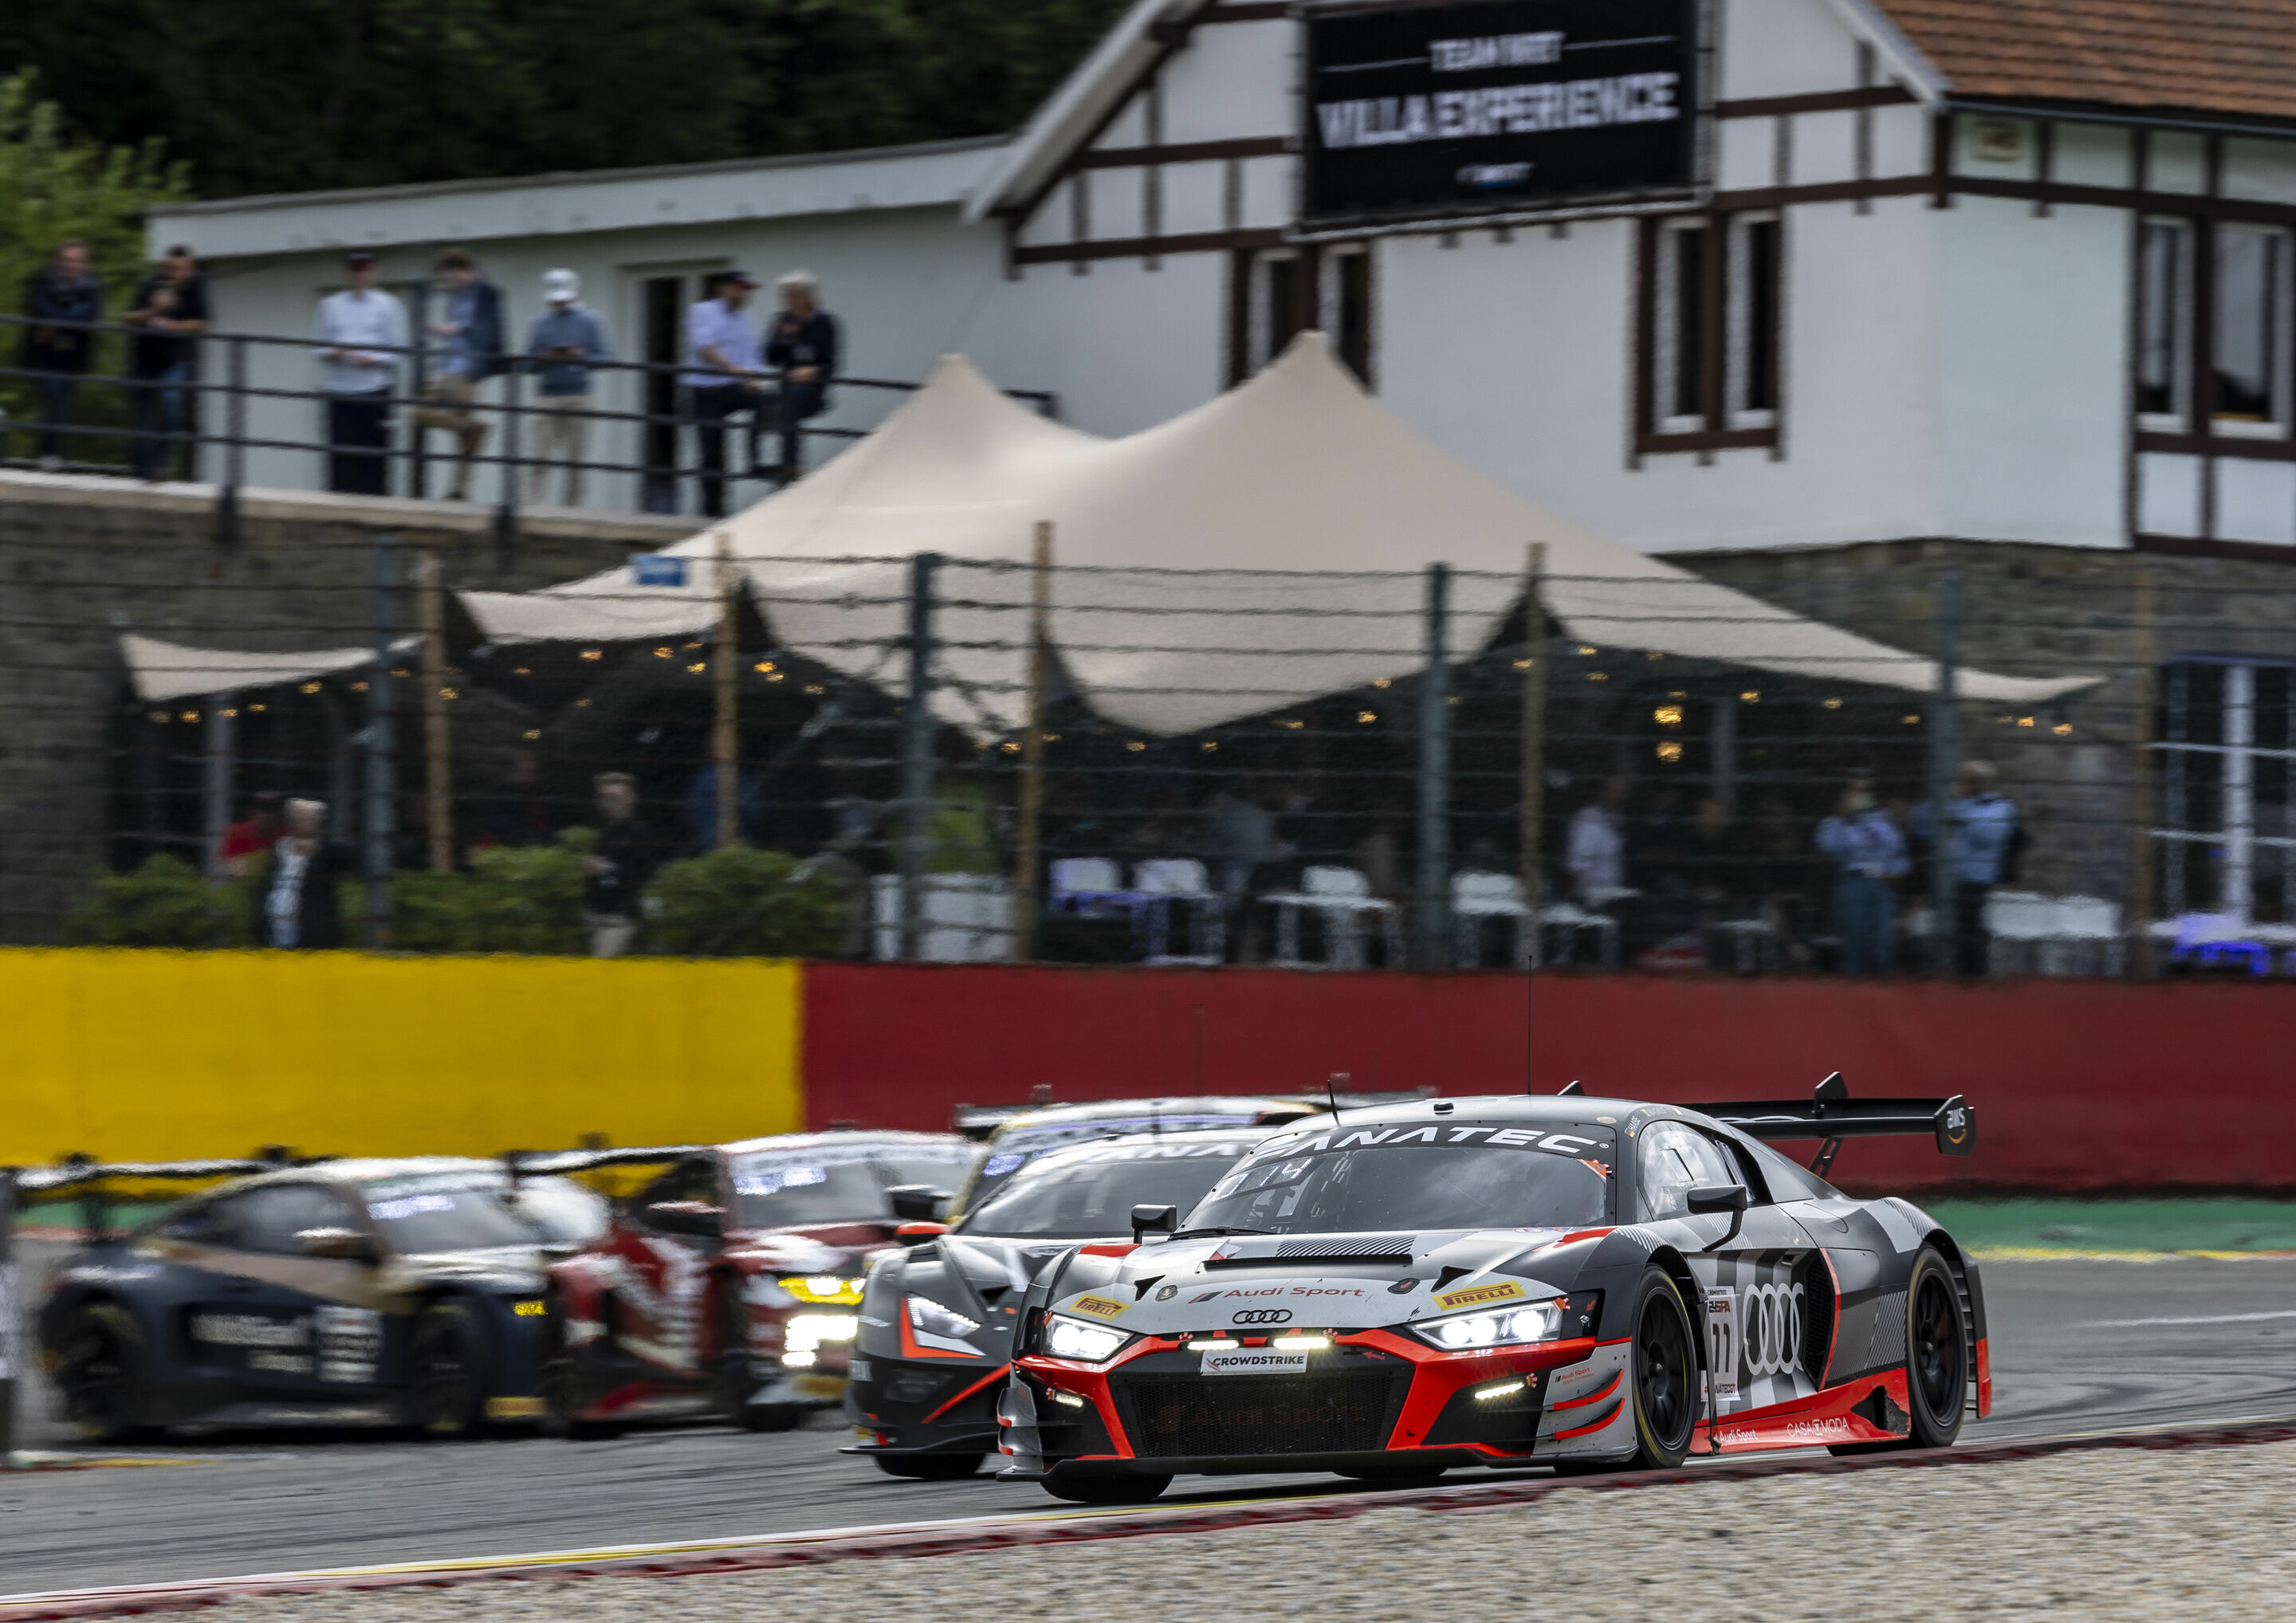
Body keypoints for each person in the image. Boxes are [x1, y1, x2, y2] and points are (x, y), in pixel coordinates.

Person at [313, 251, 409, 495]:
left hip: (374, 388)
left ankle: (375, 509)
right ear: (348, 273)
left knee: (375, 455)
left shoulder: (387, 304)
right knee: (340, 453)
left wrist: (374, 359)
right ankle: (339, 507)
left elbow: (397, 349)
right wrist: (336, 352)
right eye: (355, 269)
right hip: (339, 389)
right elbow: (318, 347)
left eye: (365, 269)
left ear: (374, 272)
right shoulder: (331, 305)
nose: (360, 275)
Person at [412, 248, 505, 501]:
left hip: (469, 371)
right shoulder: (458, 296)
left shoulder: (488, 293)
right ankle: (470, 427)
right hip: (449, 367)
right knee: (417, 412)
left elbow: (494, 332)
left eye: (450, 276)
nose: (449, 282)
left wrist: (457, 329)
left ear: (461, 270)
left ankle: (458, 491)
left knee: (463, 443)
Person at [1914, 760, 2020, 977]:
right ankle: (1943, 971)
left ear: (1985, 783)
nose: (1965, 784)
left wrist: (1957, 814)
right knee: (1943, 924)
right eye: (1962, 779)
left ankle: (1972, 975)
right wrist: (1937, 800)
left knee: (1970, 927)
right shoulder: (1953, 803)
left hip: (1975, 877)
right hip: (1946, 877)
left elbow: (1987, 836)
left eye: (1971, 780)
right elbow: (1922, 827)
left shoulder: (1999, 806)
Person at [525, 269, 610, 505]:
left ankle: (572, 510)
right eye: (556, 299)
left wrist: (579, 356)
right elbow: (526, 363)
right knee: (538, 456)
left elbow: (604, 357)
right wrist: (545, 357)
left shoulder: (590, 320)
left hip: (579, 393)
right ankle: (533, 506)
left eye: (564, 298)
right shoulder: (540, 323)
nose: (560, 303)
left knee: (577, 460)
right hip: (547, 394)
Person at [124, 246, 210, 481]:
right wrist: (154, 309)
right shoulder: (150, 284)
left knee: (169, 406)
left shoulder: (196, 287)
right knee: (142, 416)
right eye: (170, 269)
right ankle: (140, 471)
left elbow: (202, 323)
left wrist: (172, 326)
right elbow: (129, 318)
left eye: (180, 269)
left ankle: (161, 465)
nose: (175, 274)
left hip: (177, 360)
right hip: (145, 358)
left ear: (190, 269)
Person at [684, 270, 764, 517]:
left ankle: (757, 459)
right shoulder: (702, 311)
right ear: (725, 288)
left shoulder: (744, 318)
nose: (743, 294)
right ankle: (712, 512)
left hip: (732, 386)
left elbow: (752, 354)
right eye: (740, 288)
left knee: (768, 402)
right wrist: (734, 369)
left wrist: (752, 377)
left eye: (746, 290)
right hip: (705, 390)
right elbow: (704, 348)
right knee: (712, 453)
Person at [20, 240, 102, 468]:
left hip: (74, 356)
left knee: (63, 404)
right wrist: (73, 316)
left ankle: (52, 452)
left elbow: (92, 315)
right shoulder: (43, 280)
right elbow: (39, 306)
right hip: (44, 353)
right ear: (57, 261)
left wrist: (57, 321)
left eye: (76, 261)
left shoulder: (93, 285)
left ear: (85, 263)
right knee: (51, 394)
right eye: (66, 260)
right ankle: (48, 453)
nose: (70, 265)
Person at [1815, 776, 1909, 974]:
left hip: (1882, 884)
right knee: (1854, 938)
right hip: (1853, 882)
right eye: (1855, 791)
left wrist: (1894, 873)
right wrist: (1844, 818)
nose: (1862, 796)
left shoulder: (1884, 820)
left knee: (1883, 941)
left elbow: (1898, 852)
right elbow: (1831, 849)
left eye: (1866, 791)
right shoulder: (1833, 823)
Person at [761, 270, 838, 481]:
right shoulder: (782, 321)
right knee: (762, 400)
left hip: (813, 391)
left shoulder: (825, 323)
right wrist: (781, 337)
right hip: (787, 387)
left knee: (791, 401)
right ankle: (758, 462)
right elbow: (769, 357)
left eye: (791, 296)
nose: (787, 302)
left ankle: (791, 466)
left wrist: (812, 372)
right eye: (785, 297)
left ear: (806, 298)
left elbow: (831, 365)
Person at [251, 798, 356, 949]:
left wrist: (318, 849)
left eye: (306, 819)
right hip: (272, 933)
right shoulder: (279, 850)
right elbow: (265, 886)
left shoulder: (327, 852)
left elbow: (351, 858)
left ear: (318, 822)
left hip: (313, 936)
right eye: (297, 819)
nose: (300, 824)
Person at [580, 772, 656, 957]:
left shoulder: (639, 832)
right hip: (599, 914)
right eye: (604, 798)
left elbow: (643, 873)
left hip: (621, 916)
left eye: (613, 797)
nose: (608, 803)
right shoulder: (606, 832)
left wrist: (606, 869)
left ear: (631, 797)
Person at [1564, 775, 1630, 904]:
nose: (1620, 795)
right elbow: (1578, 863)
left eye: (1623, 790)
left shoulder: (1620, 818)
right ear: (1603, 790)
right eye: (1615, 790)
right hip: (1593, 896)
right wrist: (1575, 900)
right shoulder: (1588, 819)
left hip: (1615, 895)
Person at [219, 791, 283, 878]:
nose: (264, 815)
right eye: (259, 810)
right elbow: (233, 869)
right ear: (251, 811)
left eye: (269, 811)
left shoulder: (284, 835)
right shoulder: (238, 832)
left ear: (277, 814)